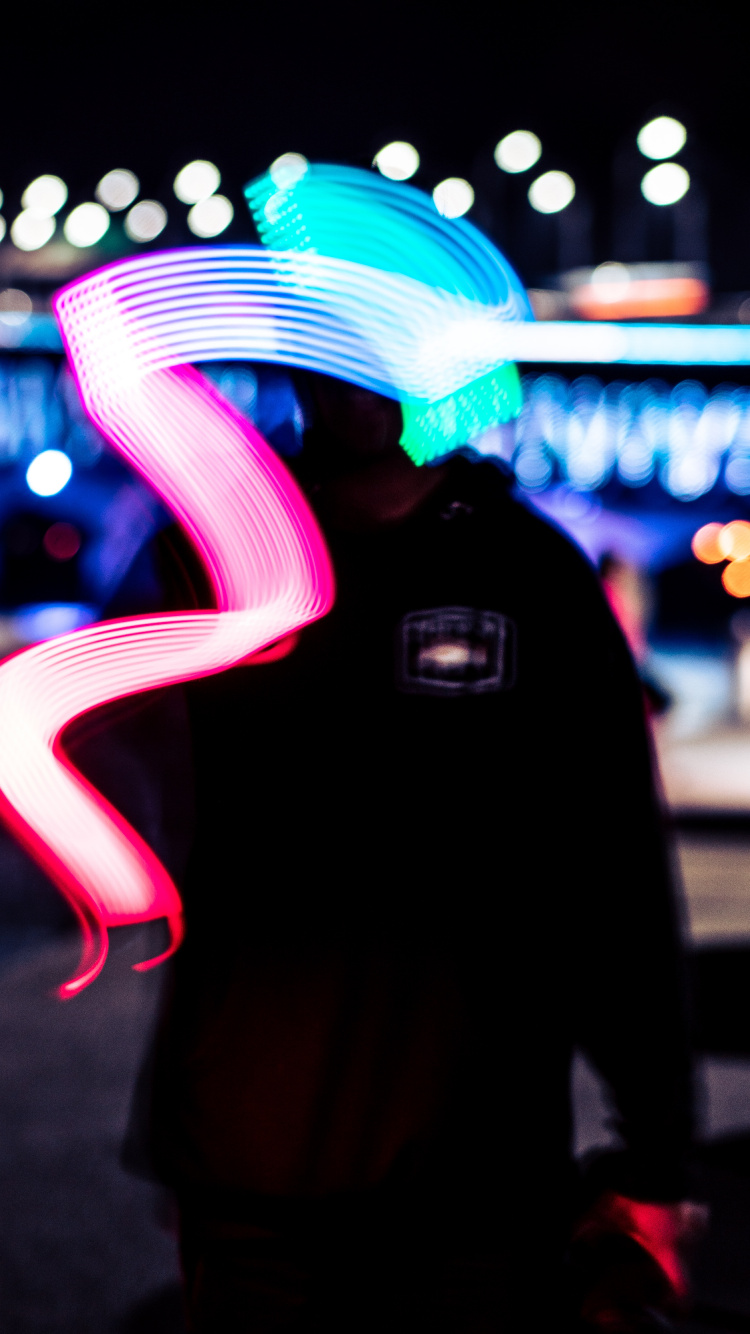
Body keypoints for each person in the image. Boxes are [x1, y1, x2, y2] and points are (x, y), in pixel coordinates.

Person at [144, 371, 698, 1333]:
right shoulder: (207, 559)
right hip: (249, 1172)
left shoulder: (531, 576)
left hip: (477, 1182)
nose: (355, 377)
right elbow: (136, 788)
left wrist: (657, 1151)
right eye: (332, 340)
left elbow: (616, 875)